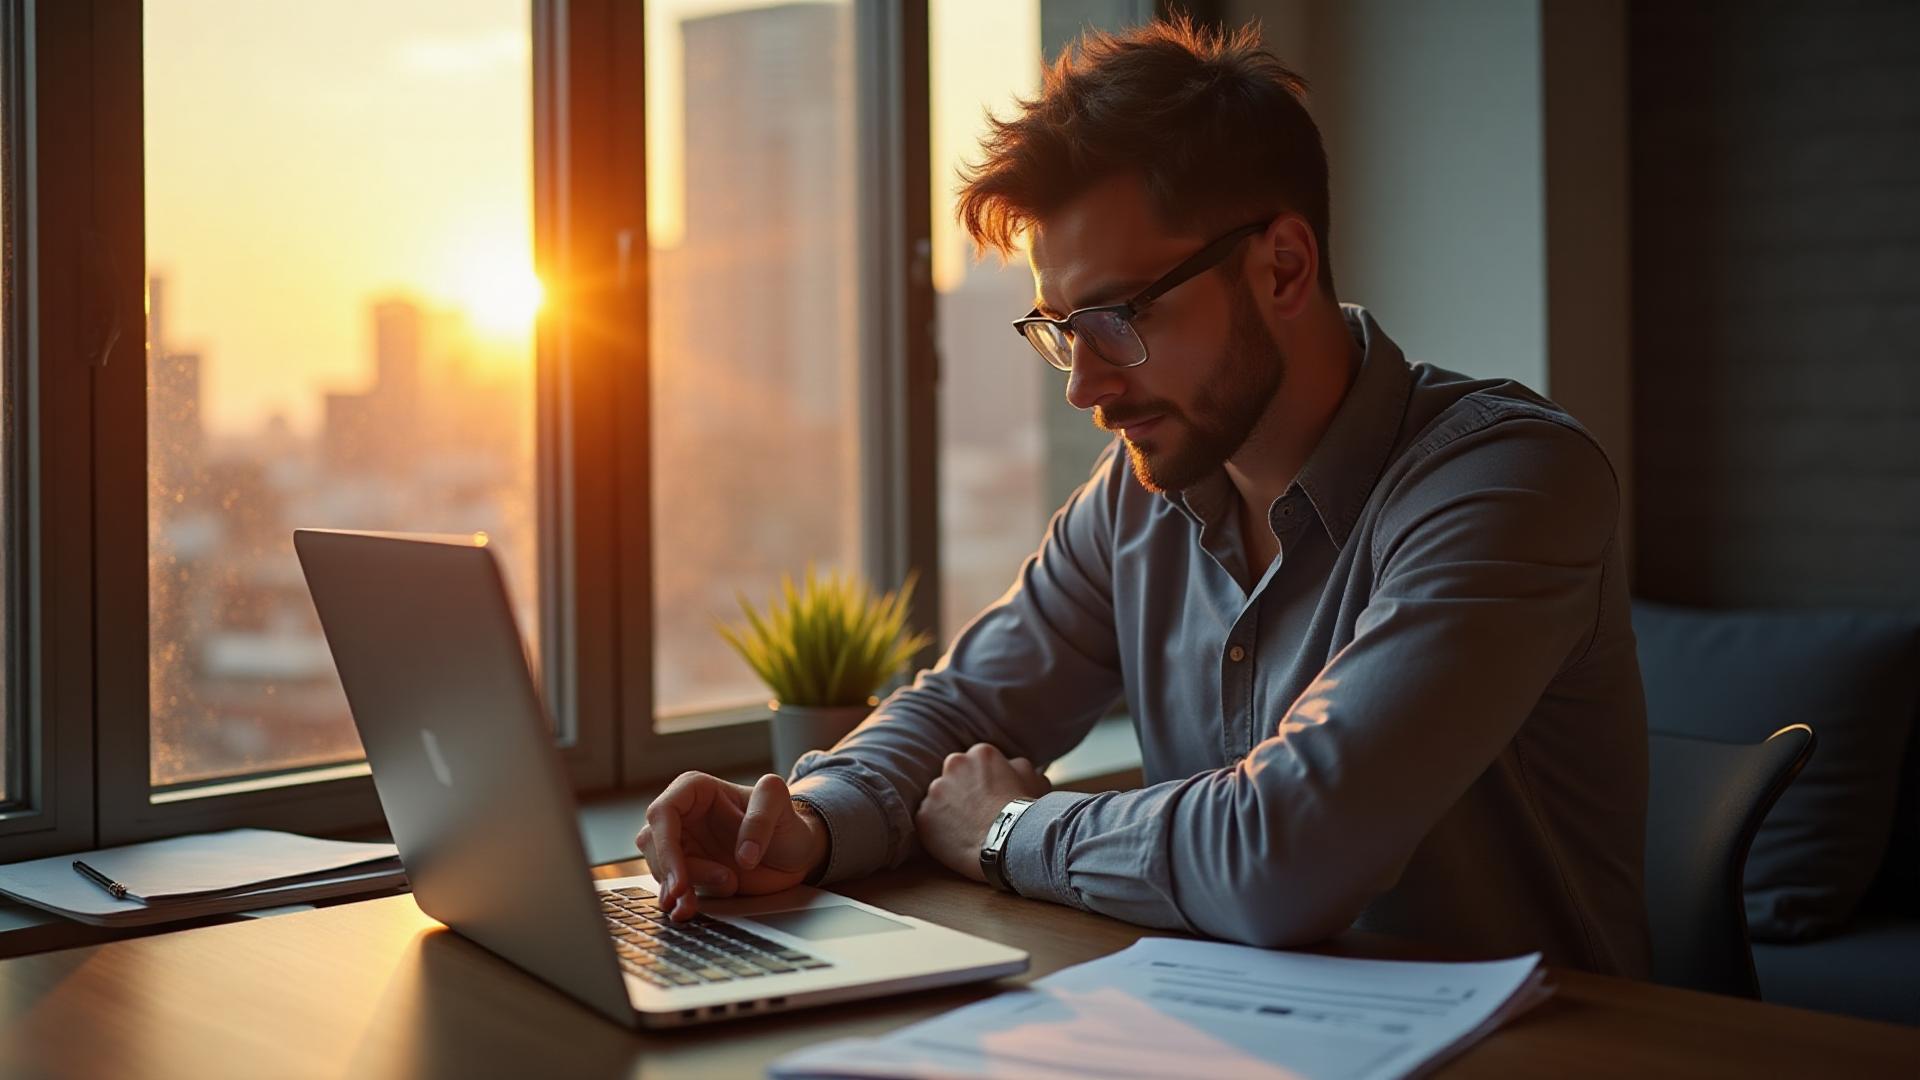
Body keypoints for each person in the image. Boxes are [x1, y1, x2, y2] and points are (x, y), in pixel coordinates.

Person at [636, 17, 1651, 976]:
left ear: (1283, 267)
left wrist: (1007, 829)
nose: (1083, 384)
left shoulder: (1508, 482)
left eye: (1117, 319)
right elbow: (968, 703)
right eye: (1062, 330)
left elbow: (1284, 851)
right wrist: (802, 823)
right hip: (1241, 1038)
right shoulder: (1140, 496)